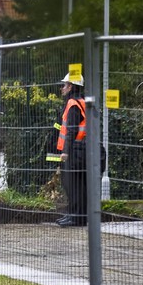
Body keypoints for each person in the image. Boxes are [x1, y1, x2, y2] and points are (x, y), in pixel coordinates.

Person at [56, 73, 87, 227]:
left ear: (71, 86)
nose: (62, 88)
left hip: (74, 150)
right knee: (77, 185)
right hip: (81, 148)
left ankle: (75, 216)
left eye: (65, 85)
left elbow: (71, 130)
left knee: (72, 185)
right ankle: (74, 214)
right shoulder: (82, 102)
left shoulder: (73, 104)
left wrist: (65, 151)